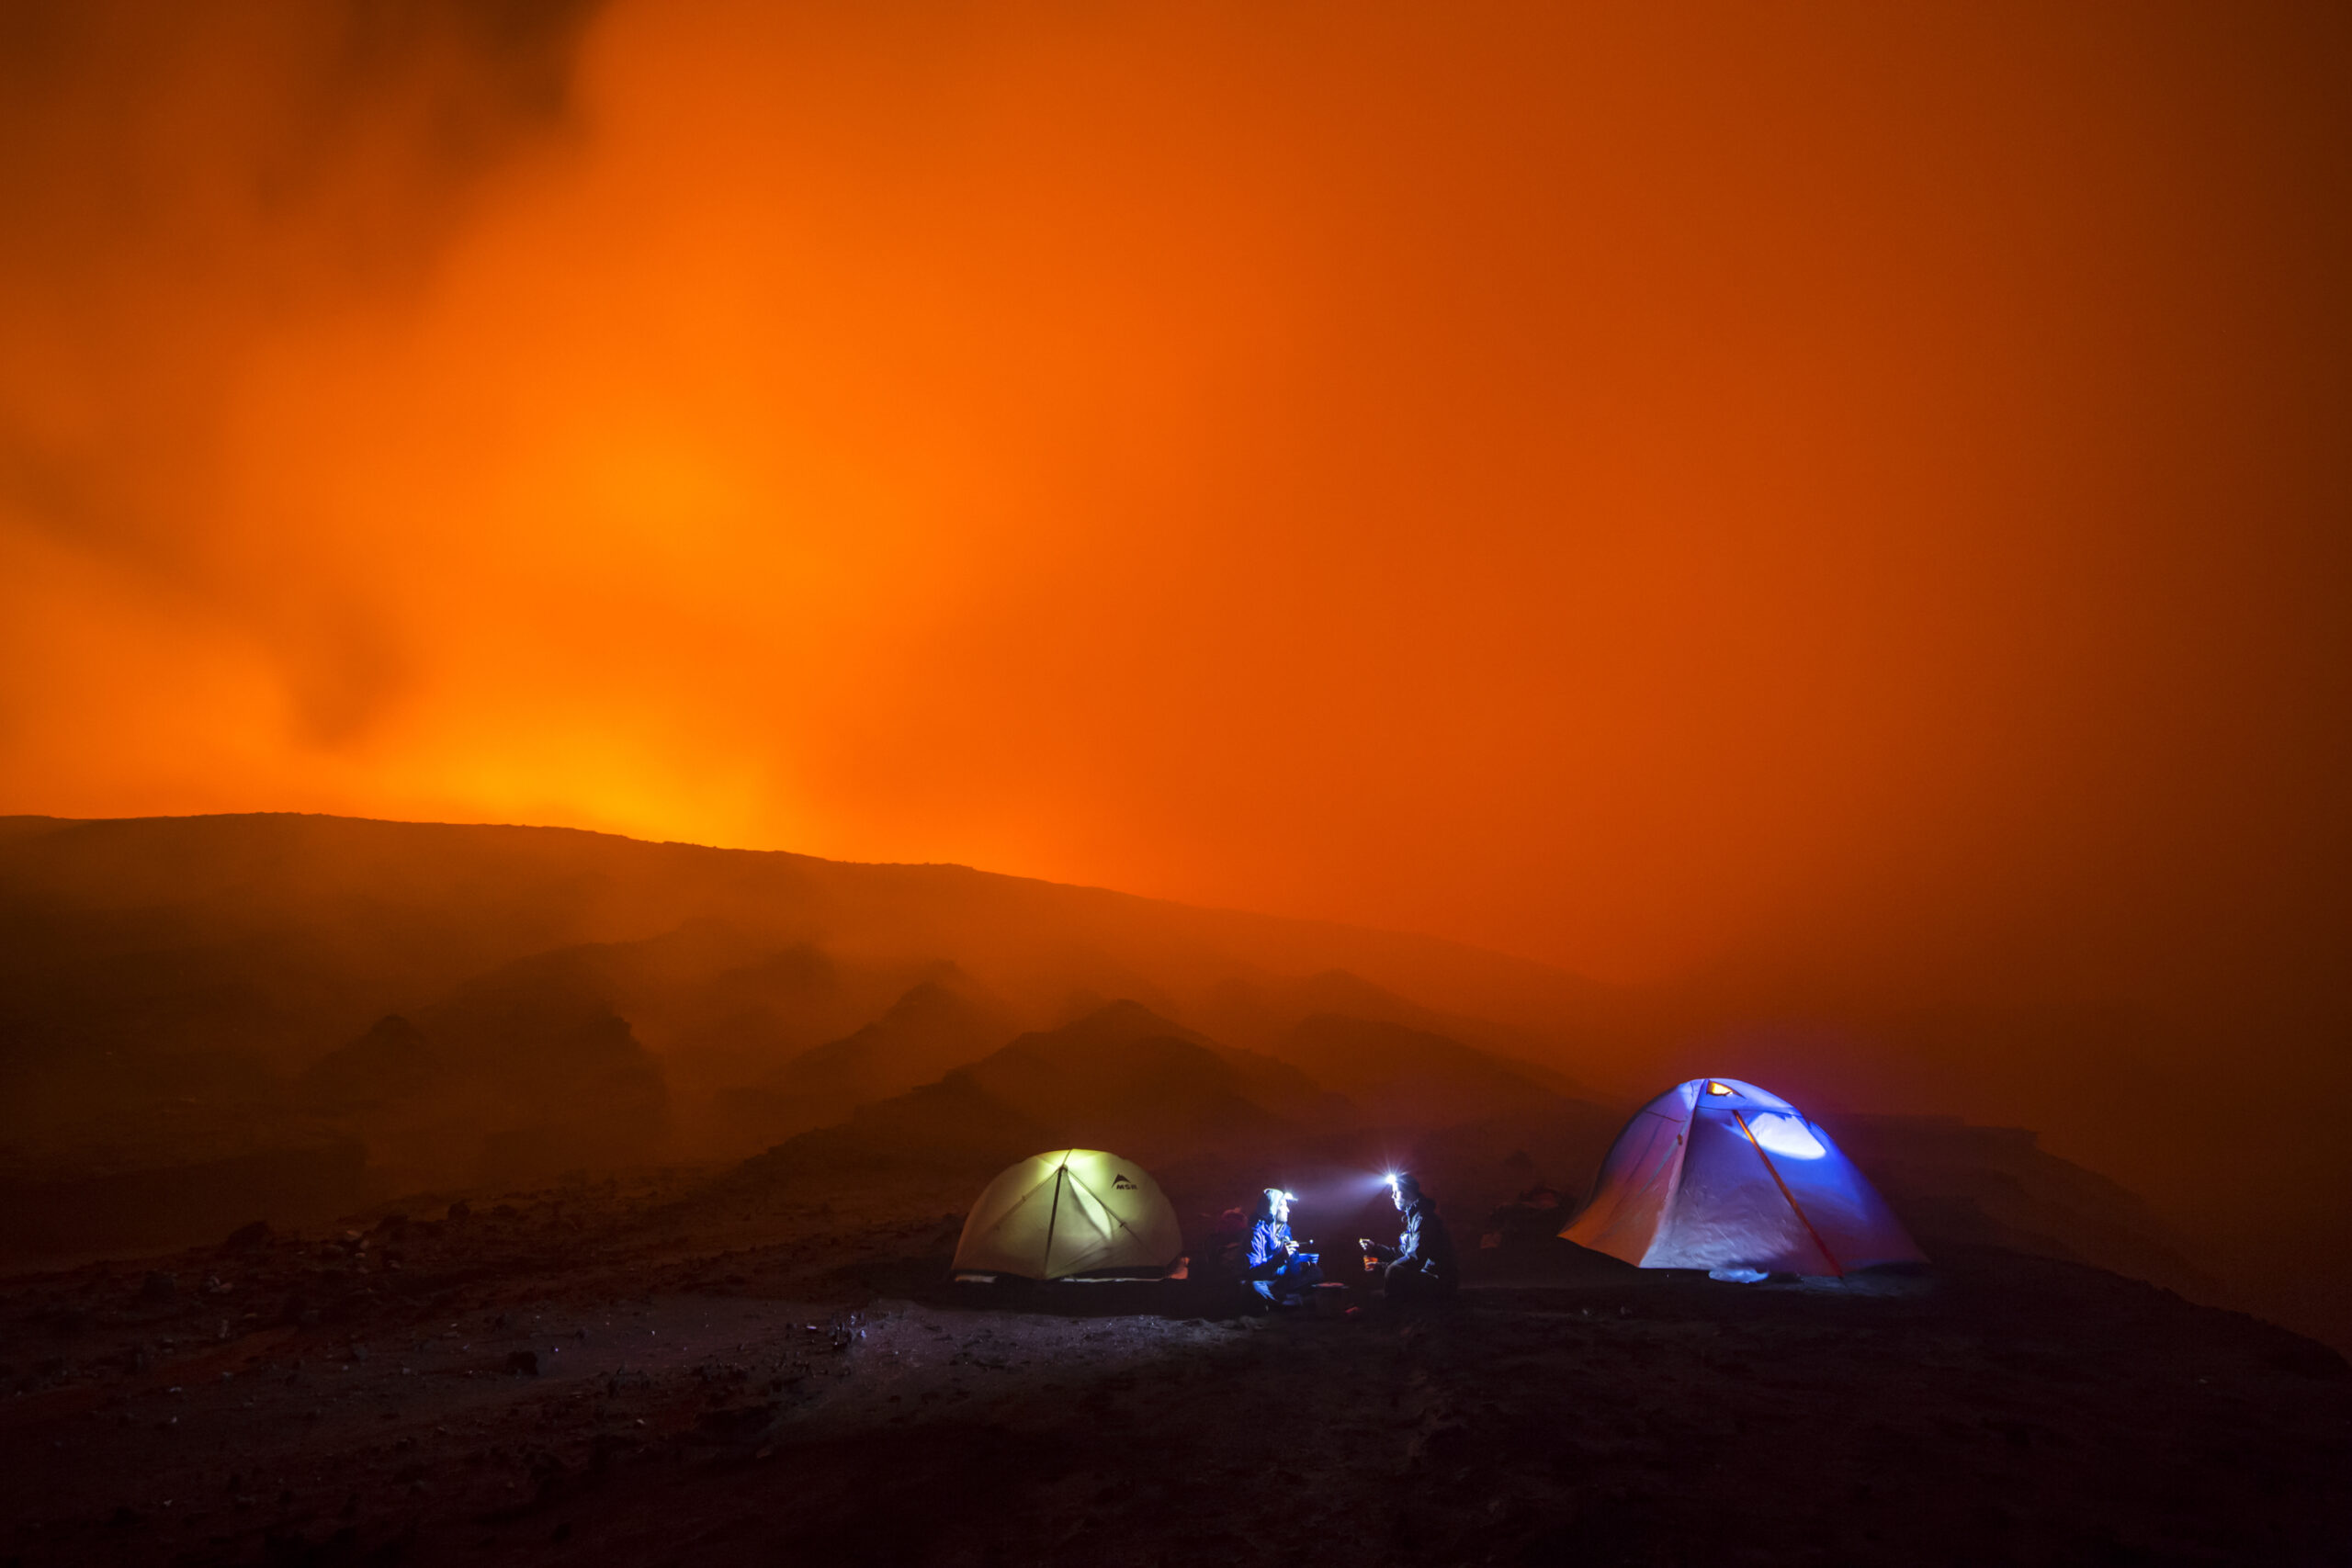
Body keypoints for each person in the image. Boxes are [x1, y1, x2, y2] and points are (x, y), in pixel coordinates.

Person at [1360, 1171, 1458, 1303]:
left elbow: (1415, 1257)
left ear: (1407, 1192)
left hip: (1438, 1280)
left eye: (1396, 1191)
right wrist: (1375, 1248)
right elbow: (1403, 1252)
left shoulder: (1423, 1218)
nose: (1393, 1196)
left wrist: (1382, 1267)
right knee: (1393, 1269)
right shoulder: (1415, 1217)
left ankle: (1394, 1314)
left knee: (1394, 1270)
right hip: (1430, 1277)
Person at [1240, 1187, 1321, 1307]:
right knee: (1254, 1287)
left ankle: (1281, 1300)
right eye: (1283, 1205)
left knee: (1316, 1273)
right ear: (1273, 1209)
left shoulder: (1285, 1230)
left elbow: (1293, 1271)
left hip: (1279, 1280)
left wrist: (1298, 1260)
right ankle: (1289, 1302)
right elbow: (1253, 1273)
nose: (1288, 1210)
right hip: (1263, 1280)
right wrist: (1281, 1257)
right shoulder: (1256, 1233)